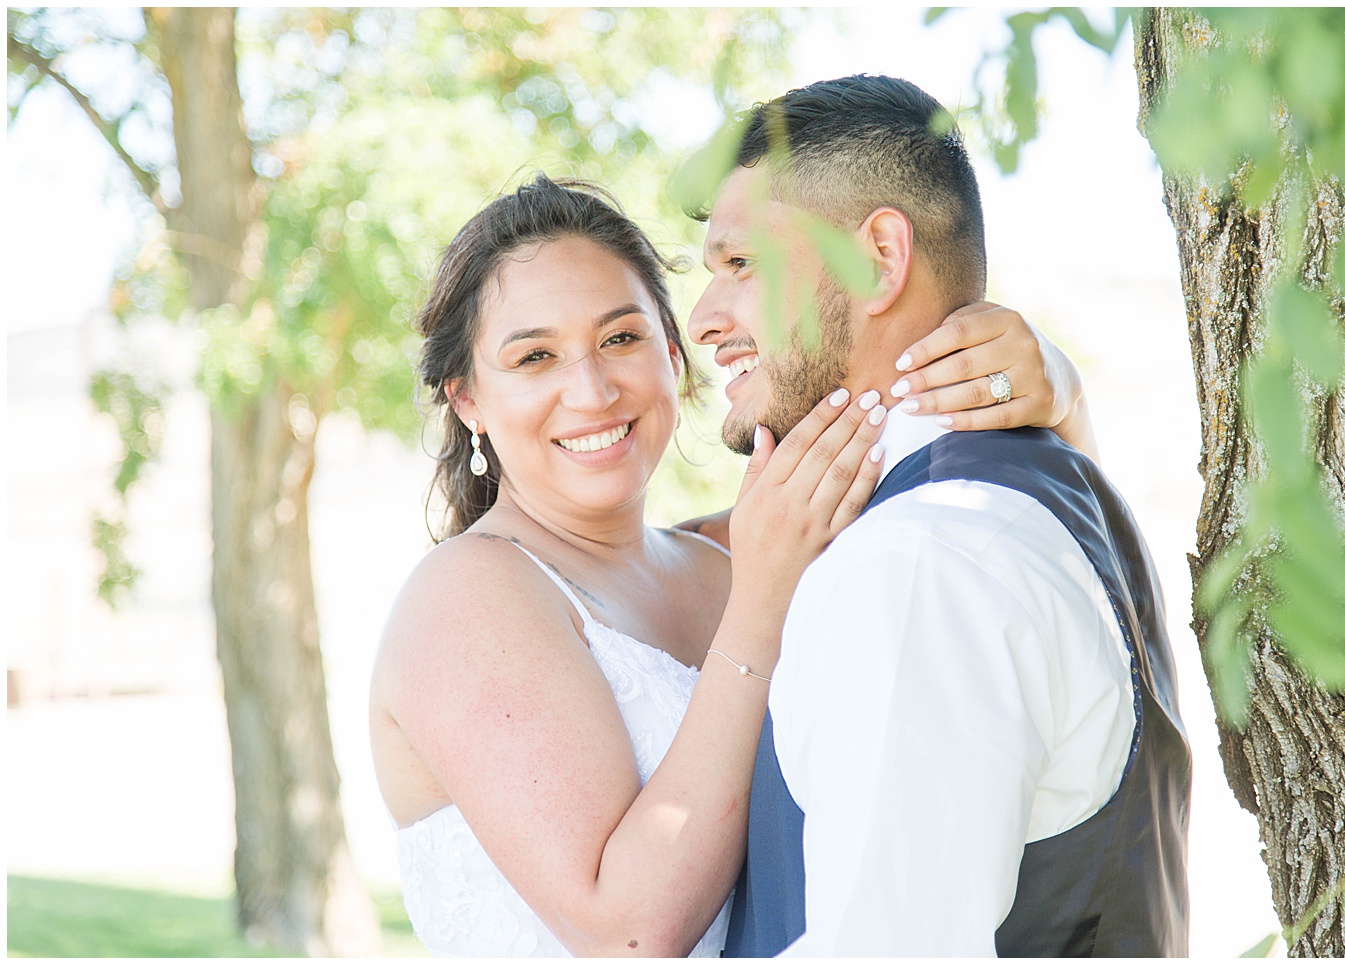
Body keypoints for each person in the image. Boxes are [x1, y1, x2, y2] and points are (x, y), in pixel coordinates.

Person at [369, 174, 1094, 956]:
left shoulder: (750, 542)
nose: (592, 389)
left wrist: (1060, 393)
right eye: (535, 357)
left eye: (621, 338)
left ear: (675, 357)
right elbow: (629, 937)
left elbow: (1011, 560)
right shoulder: (467, 595)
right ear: (469, 399)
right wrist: (760, 610)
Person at [686, 75, 1192, 957]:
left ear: (880, 257)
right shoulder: (1053, 488)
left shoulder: (915, 565)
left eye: (743, 265)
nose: (702, 318)